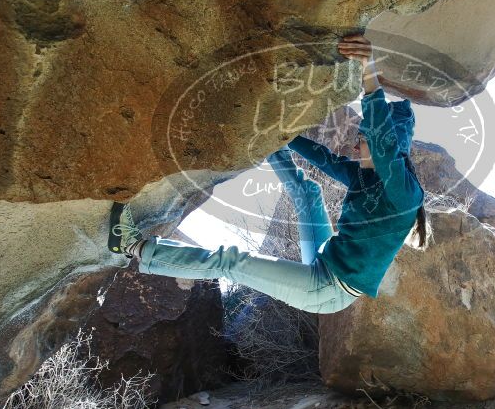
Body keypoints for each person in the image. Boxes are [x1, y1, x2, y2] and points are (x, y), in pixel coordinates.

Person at [107, 34, 429, 314]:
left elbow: (386, 140)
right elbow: (324, 158)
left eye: (363, 137)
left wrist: (368, 70)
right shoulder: (366, 175)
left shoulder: (404, 193)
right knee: (308, 192)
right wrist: (276, 135)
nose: (356, 142)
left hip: (328, 288)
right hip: (322, 261)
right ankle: (261, 145)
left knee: (231, 263)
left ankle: (133, 247)